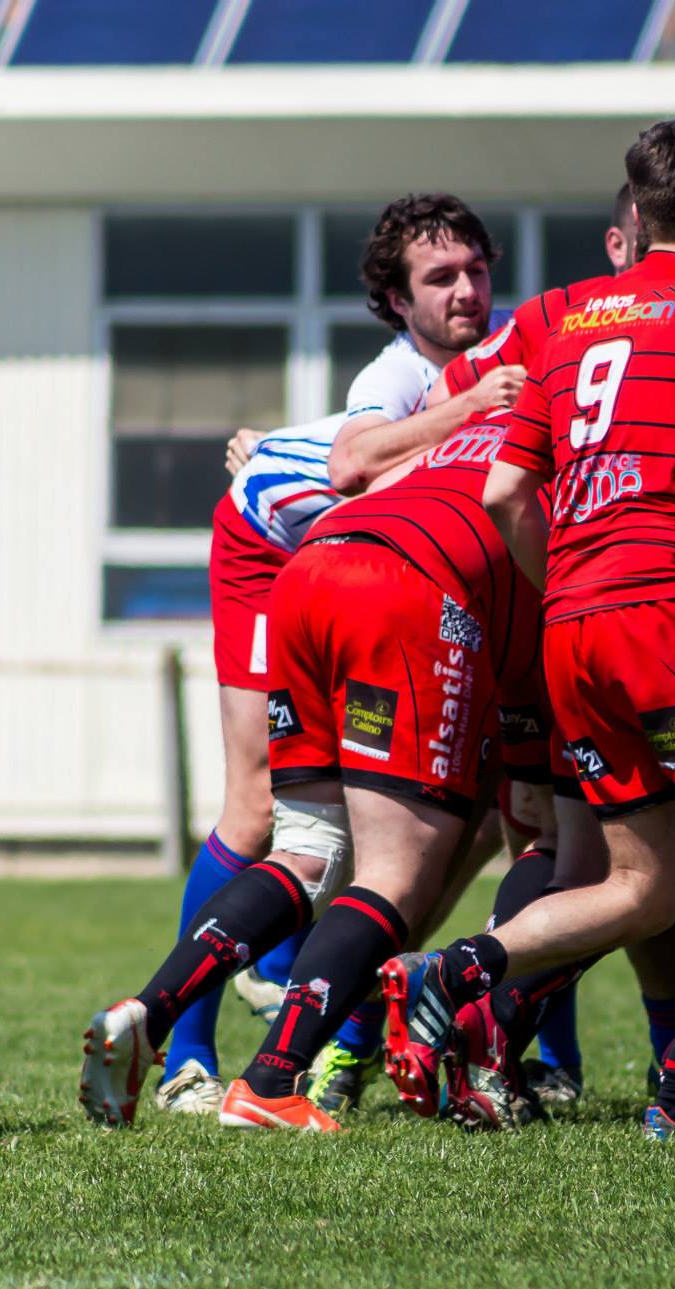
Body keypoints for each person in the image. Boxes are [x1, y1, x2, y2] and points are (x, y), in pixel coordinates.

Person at [382, 118, 675, 1141]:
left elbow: (511, 491)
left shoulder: (559, 314)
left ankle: (451, 969)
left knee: (640, 887)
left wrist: (573, 588)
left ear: (634, 216)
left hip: (574, 628)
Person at [152, 194, 521, 1117]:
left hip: (386, 569)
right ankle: (185, 1052)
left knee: (482, 808)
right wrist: (472, 406)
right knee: (257, 805)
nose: (467, 292)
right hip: (272, 543)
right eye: (440, 279)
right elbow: (358, 465)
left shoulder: (523, 337)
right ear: (397, 302)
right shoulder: (392, 372)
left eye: (477, 269)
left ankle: (440, 1037)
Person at [80, 407, 546, 1131]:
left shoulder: (467, 414)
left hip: (306, 574)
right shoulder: (569, 451)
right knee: (394, 873)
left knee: (309, 853)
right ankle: (270, 1082)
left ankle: (149, 1011)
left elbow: (347, 461)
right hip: (407, 588)